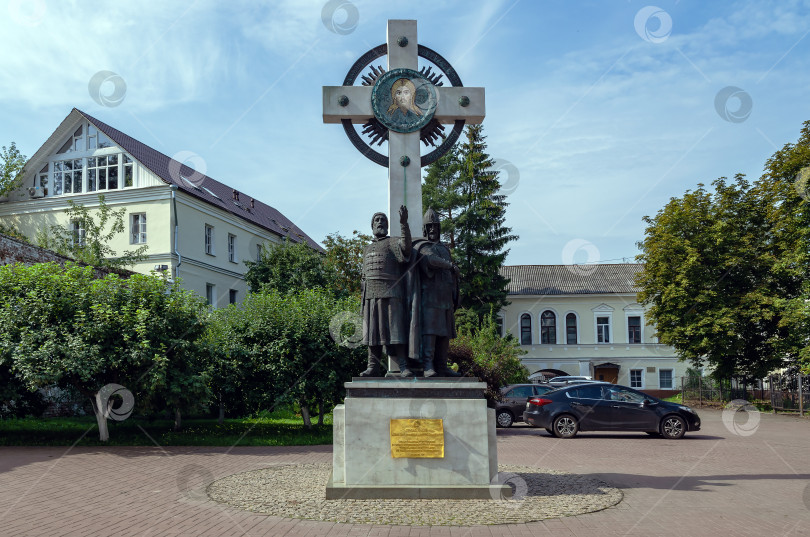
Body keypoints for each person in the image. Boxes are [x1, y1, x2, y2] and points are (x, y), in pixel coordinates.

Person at [359, 206, 413, 377]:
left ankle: (403, 366)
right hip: (371, 295)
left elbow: (407, 248)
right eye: (377, 220)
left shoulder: (392, 242)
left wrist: (404, 224)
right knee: (372, 333)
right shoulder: (366, 249)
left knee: (395, 330)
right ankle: (373, 366)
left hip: (392, 293)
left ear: (388, 225)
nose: (380, 222)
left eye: (383, 220)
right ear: (372, 226)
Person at [408, 208, 461, 377]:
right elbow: (430, 260)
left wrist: (455, 294)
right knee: (430, 331)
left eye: (435, 227)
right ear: (424, 230)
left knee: (444, 333)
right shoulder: (422, 247)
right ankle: (428, 365)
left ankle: (441, 365)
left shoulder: (445, 249)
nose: (432, 230)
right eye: (429, 227)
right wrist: (450, 266)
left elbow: (452, 276)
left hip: (445, 297)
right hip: (429, 297)